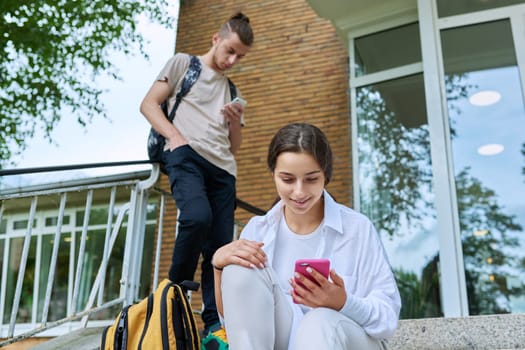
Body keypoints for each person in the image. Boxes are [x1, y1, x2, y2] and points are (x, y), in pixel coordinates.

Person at [211, 123, 401, 350]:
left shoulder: (357, 228)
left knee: (319, 320)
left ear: (325, 176)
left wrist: (342, 302)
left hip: (349, 340)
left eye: (311, 179)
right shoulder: (258, 230)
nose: (299, 192)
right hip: (283, 338)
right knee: (240, 266)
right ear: (273, 175)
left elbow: (387, 320)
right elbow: (239, 324)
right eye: (288, 180)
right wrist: (219, 267)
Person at [139, 12, 254, 349]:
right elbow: (148, 104)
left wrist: (235, 121)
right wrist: (175, 137)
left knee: (220, 249)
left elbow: (234, 147)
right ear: (216, 40)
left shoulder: (232, 90)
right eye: (230, 50)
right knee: (195, 217)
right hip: (185, 155)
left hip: (223, 171)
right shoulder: (183, 65)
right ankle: (172, 296)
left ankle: (214, 323)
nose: (232, 60)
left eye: (240, 57)